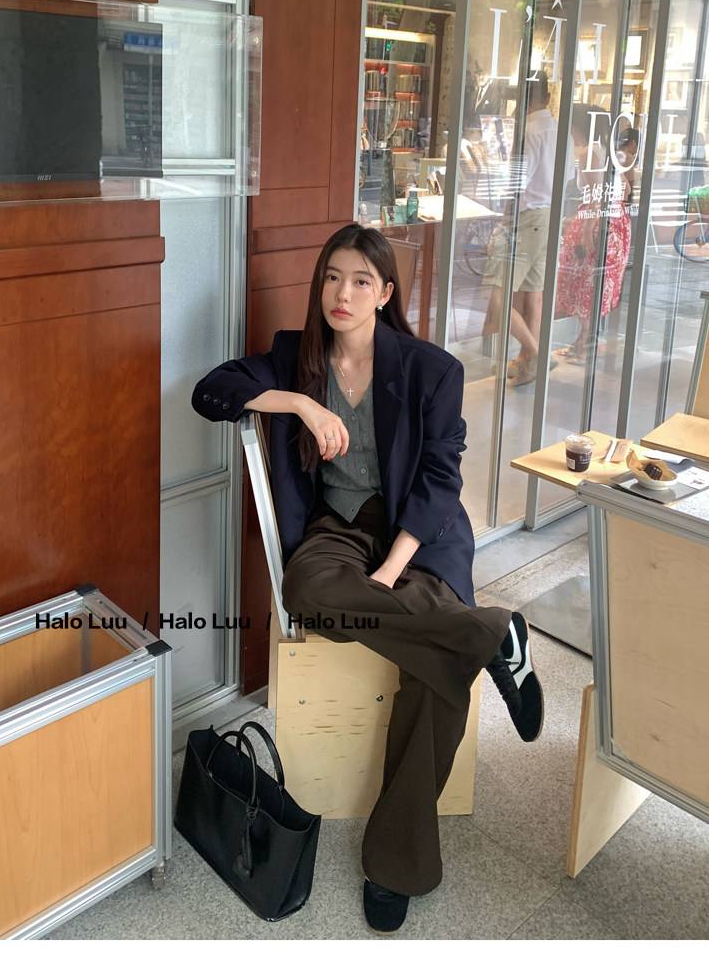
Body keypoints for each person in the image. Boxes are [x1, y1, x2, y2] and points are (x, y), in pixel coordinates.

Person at [192, 224, 543, 934]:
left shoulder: (430, 370)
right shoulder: (295, 357)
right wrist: (299, 403)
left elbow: (440, 482)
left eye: (360, 281)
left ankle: (396, 867)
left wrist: (389, 570)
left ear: (385, 294)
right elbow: (212, 392)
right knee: (308, 591)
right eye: (332, 277)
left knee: (434, 677)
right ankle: (488, 637)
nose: (342, 294)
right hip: (338, 530)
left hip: (417, 535)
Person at [481, 72, 572, 387]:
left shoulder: (530, 132)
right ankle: (526, 364)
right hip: (550, 217)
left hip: (527, 218)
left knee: (498, 297)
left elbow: (517, 186)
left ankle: (536, 354)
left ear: (521, 100)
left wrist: (505, 222)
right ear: (548, 97)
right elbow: (567, 179)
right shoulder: (562, 131)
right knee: (534, 295)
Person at [555, 104, 632, 364]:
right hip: (617, 221)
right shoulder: (610, 151)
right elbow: (626, 189)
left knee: (584, 285)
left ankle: (588, 345)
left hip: (597, 222)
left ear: (575, 127)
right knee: (597, 285)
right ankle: (583, 340)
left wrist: (588, 230)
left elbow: (597, 195)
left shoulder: (590, 152)